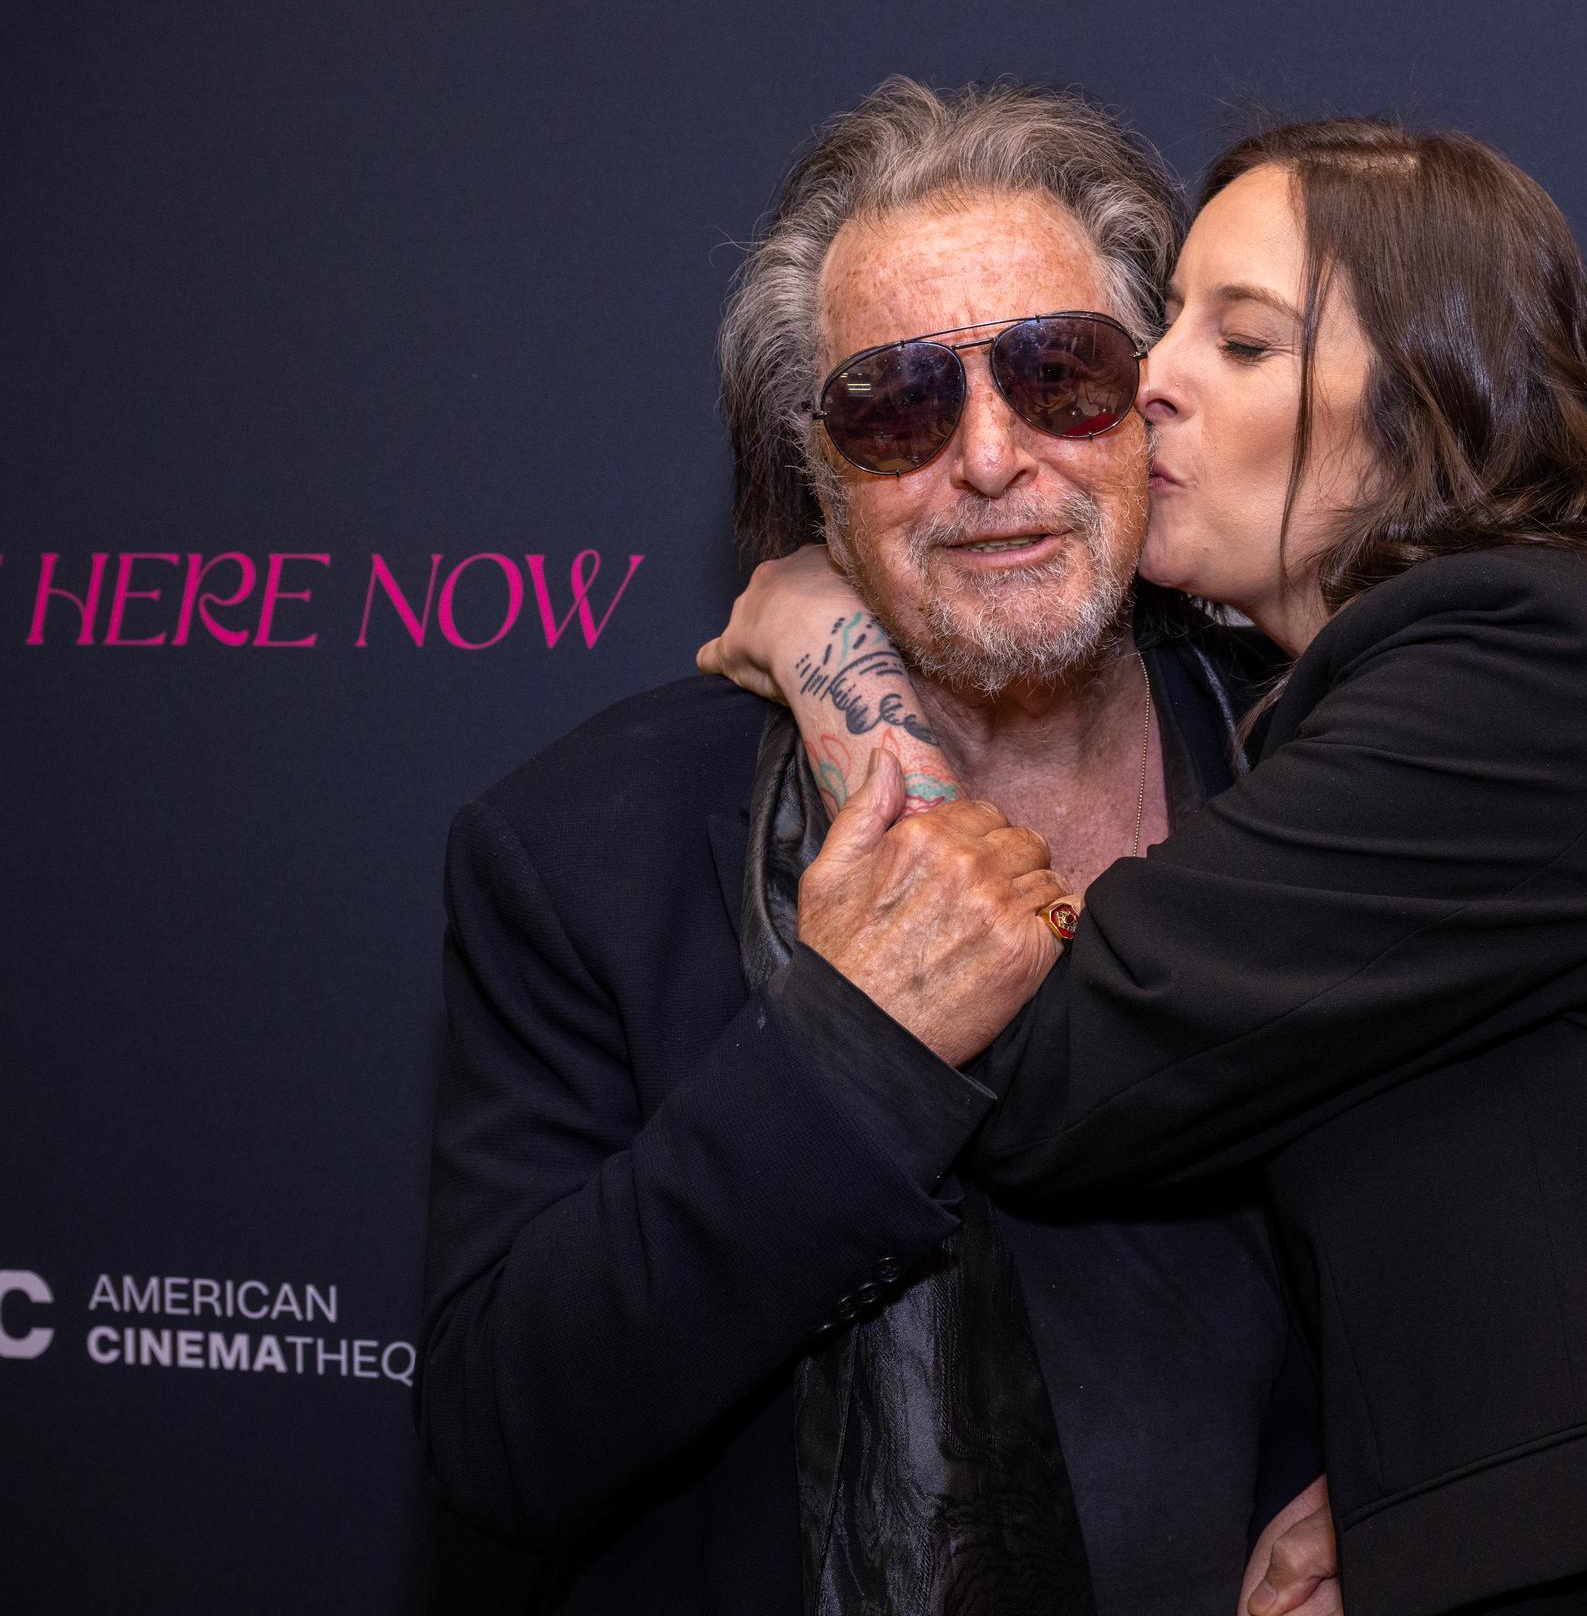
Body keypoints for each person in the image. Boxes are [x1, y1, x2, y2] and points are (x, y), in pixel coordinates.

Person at [704, 117, 1587, 1614]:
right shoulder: (1465, 691)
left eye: (1242, 343)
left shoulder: (1522, 663)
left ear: (1425, 408)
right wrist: (1407, 1493)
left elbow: (1040, 1059)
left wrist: (834, 652)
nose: (1151, 378)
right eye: (1167, 320)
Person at [417, 78, 1338, 1616]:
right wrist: (846, 1055)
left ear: (1152, 407)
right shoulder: (583, 851)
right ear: (819, 478)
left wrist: (1422, 1511)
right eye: (900, 406)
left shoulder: (1321, 776)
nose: (990, 458)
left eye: (1060, 373)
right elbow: (505, 1439)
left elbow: (1549, 1257)